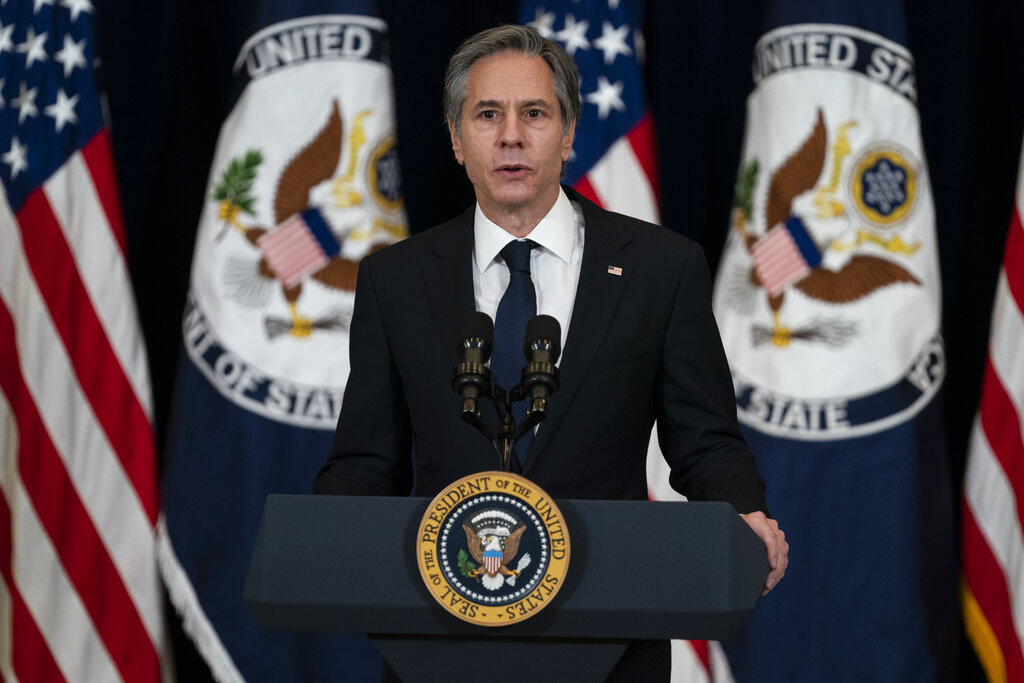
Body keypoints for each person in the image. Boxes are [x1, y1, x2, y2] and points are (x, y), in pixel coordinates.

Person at [315, 24, 787, 680]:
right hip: (442, 646)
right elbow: (368, 459)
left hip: (610, 643)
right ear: (456, 138)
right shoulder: (395, 280)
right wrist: (323, 536)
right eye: (487, 114)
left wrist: (744, 511)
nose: (511, 135)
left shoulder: (660, 268)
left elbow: (705, 441)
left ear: (568, 134)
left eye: (534, 113)